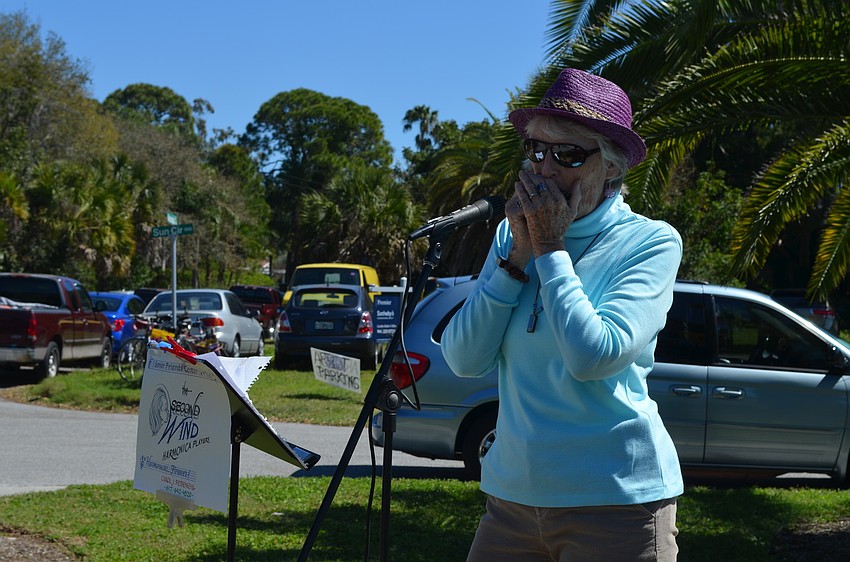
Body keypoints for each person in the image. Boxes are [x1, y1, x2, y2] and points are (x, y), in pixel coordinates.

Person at [442, 68, 684, 561]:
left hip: (615, 501)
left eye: (568, 154)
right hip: (512, 498)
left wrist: (550, 248)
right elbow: (464, 358)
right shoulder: (513, 237)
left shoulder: (650, 241)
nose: (545, 169)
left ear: (611, 168)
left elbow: (592, 357)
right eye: (535, 150)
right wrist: (514, 263)